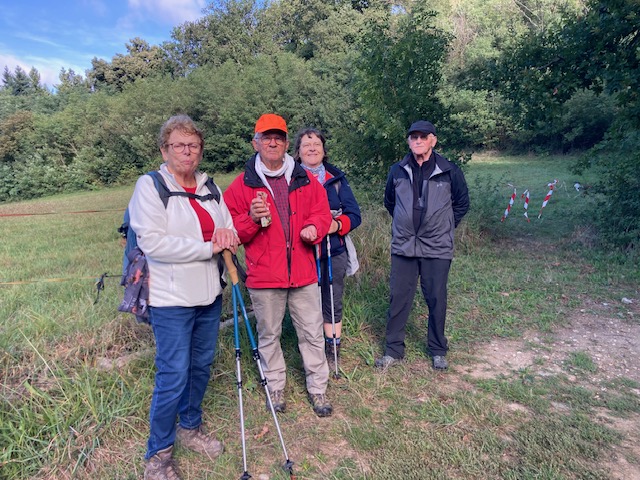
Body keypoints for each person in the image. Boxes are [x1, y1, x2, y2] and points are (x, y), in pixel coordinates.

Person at [128, 114, 240, 480]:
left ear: (201, 150)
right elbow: (154, 243)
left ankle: (189, 428)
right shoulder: (150, 186)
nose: (187, 152)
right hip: (171, 299)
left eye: (193, 145)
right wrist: (209, 246)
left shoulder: (211, 188)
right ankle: (157, 456)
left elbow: (228, 227)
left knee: (200, 366)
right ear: (165, 149)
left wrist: (228, 236)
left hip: (209, 295)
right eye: (179, 145)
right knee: (173, 374)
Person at [223, 114, 334, 417]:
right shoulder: (240, 186)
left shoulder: (305, 178)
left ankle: (318, 389)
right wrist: (252, 219)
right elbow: (232, 232)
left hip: (303, 273)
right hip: (264, 275)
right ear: (255, 142)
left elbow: (322, 214)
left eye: (279, 137)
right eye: (266, 137)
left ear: (287, 143)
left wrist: (314, 227)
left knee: (311, 333)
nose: (273, 142)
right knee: (268, 334)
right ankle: (275, 384)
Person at [375, 120, 469, 371]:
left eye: (423, 137)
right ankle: (394, 350)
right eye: (413, 137)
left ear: (433, 140)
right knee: (398, 297)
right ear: (408, 141)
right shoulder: (397, 170)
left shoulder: (449, 170)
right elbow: (390, 203)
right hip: (404, 246)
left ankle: (438, 349)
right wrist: (407, 225)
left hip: (437, 246)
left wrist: (445, 225)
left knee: (436, 297)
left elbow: (461, 203)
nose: (417, 141)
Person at [293, 128, 362, 369]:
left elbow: (355, 214)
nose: (312, 149)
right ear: (298, 152)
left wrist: (336, 225)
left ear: (324, 150)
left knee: (332, 302)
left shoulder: (336, 180)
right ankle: (312, 353)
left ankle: (333, 351)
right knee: (305, 304)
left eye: (316, 145)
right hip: (303, 252)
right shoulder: (289, 178)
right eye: (306, 145)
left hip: (334, 251)